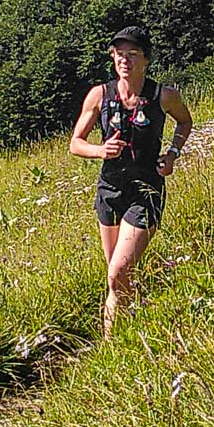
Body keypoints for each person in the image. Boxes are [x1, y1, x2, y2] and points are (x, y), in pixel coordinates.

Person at [69, 25, 195, 338]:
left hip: (146, 192)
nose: (125, 61)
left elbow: (185, 121)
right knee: (117, 275)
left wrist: (173, 153)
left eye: (133, 54)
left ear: (146, 59)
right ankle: (116, 344)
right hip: (109, 192)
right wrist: (100, 151)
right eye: (119, 54)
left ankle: (123, 336)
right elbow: (75, 143)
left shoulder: (162, 96)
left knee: (118, 273)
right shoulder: (100, 95)